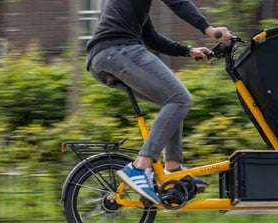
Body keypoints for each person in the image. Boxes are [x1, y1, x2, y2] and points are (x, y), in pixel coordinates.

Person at [86, 0, 231, 204]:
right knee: (179, 99)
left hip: (104, 58)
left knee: (172, 101)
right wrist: (211, 30)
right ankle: (139, 167)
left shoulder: (134, 9)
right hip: (119, 50)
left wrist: (189, 51)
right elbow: (178, 3)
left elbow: (151, 38)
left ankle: (173, 169)